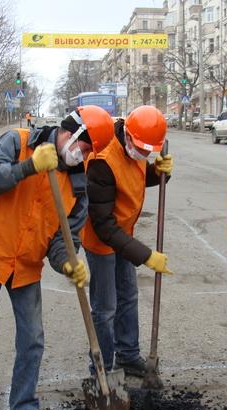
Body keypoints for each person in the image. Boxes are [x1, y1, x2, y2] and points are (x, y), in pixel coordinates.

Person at [0, 105, 114, 410]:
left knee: (32, 339)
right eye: (83, 147)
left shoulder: (78, 183)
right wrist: (28, 167)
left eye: (88, 152)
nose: (82, 155)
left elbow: (63, 237)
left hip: (25, 264)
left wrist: (68, 261)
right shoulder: (17, 142)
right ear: (71, 133)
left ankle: (24, 406)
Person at [82, 105, 173, 378]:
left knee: (129, 297)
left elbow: (136, 177)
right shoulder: (102, 160)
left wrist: (157, 172)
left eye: (150, 152)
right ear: (127, 135)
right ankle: (102, 368)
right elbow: (104, 225)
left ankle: (128, 355)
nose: (144, 155)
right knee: (106, 307)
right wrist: (145, 255)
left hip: (124, 234)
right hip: (102, 239)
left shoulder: (137, 147)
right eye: (142, 150)